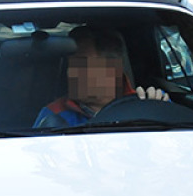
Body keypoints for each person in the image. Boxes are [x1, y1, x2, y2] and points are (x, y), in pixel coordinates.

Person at [34, 26, 169, 128]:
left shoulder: (149, 102)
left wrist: (158, 112)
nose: (70, 72)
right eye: (70, 64)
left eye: (82, 64)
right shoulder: (53, 113)